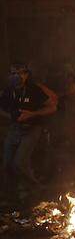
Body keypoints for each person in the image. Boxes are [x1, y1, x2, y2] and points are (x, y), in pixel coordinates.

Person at [0, 62, 57, 206]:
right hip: (14, 128)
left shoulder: (34, 90)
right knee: (7, 163)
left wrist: (32, 114)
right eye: (13, 73)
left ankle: (35, 189)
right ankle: (13, 195)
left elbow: (52, 107)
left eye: (21, 73)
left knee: (19, 162)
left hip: (32, 128)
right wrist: (11, 116)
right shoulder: (8, 91)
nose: (17, 76)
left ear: (26, 74)